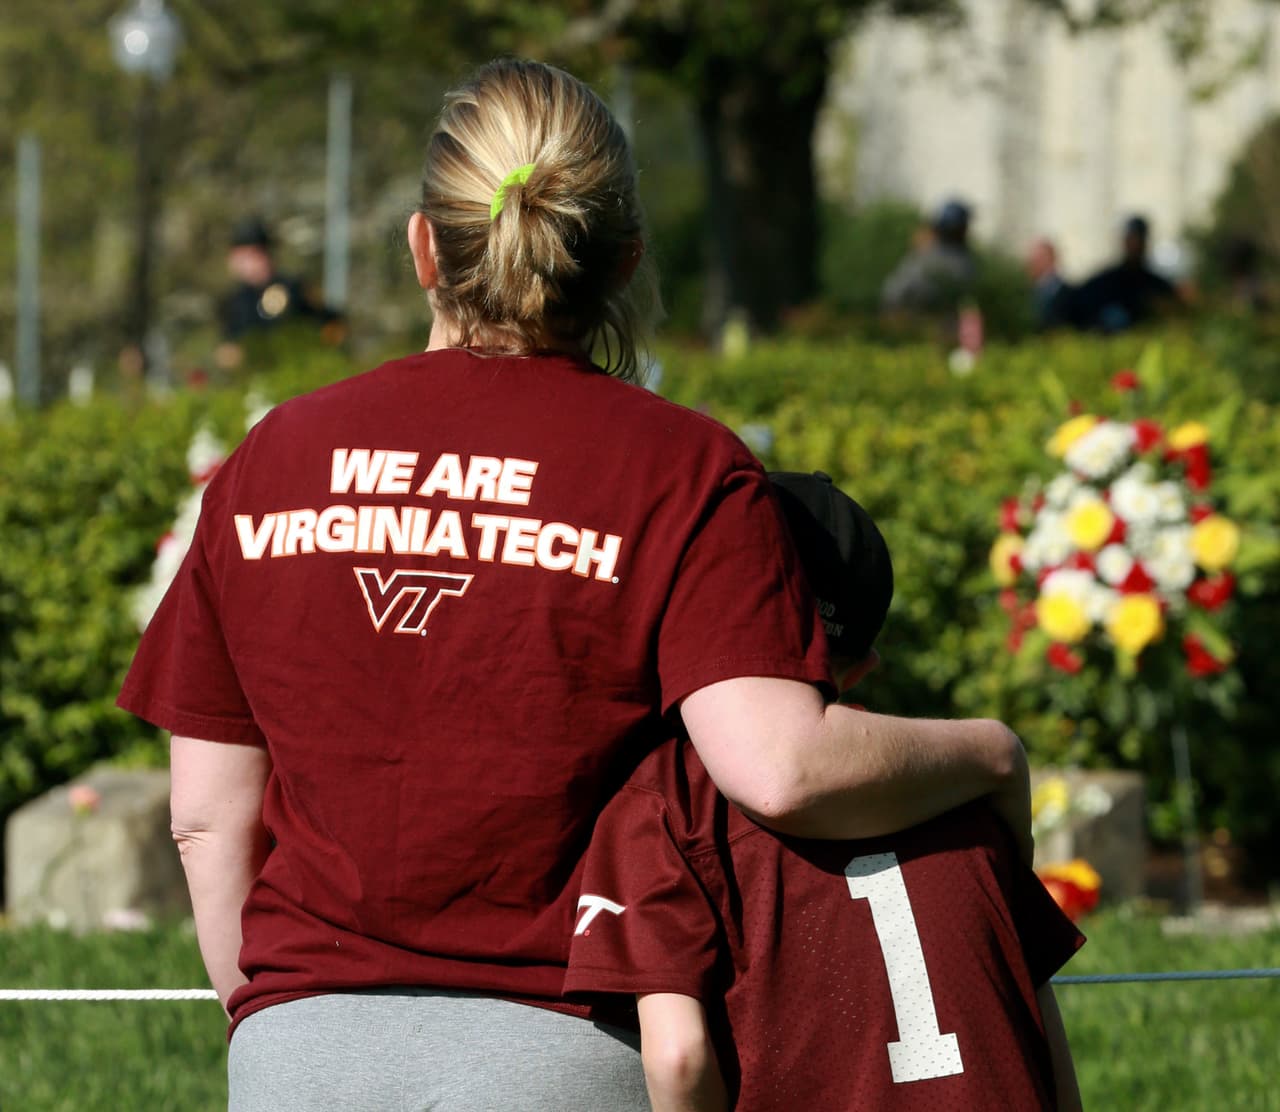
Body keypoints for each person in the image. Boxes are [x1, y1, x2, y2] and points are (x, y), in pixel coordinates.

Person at [117, 59, 1030, 1111]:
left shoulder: (273, 456)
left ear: (423, 244)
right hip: (561, 1051)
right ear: (625, 260)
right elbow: (776, 764)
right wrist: (986, 749)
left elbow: (204, 817)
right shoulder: (682, 467)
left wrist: (268, 1018)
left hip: (296, 1049)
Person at [566, 472, 1084, 1112]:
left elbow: (678, 1057)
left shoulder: (666, 800)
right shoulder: (952, 783)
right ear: (863, 664)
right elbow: (1045, 1036)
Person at [218, 217, 337, 342]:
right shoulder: (236, 300)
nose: (236, 263)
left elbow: (327, 323)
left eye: (242, 257)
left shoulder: (293, 289)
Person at [1070, 214, 1181, 333]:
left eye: (1138, 240)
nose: (1134, 245)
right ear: (1124, 242)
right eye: (1131, 239)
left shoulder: (1156, 285)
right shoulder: (1104, 282)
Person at [881, 198, 978, 317]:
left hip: (913, 321)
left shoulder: (924, 255)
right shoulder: (964, 263)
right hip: (927, 324)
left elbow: (892, 293)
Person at [1026, 236, 1075, 331]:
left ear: (1051, 259)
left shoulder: (1067, 293)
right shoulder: (1028, 292)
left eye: (1038, 258)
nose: (1032, 263)